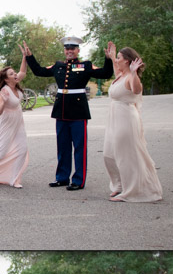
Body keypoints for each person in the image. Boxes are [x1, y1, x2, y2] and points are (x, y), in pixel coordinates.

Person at [23, 36, 115, 191]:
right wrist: (29, 56)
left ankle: (78, 180)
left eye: (73, 49)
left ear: (78, 50)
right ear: (64, 50)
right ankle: (62, 177)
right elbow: (39, 71)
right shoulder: (58, 65)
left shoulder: (85, 65)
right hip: (61, 110)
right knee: (63, 146)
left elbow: (105, 73)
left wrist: (108, 58)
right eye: (67, 49)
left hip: (78, 111)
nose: (69, 51)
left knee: (80, 147)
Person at [101, 46, 162, 203]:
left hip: (126, 119)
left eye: (119, 58)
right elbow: (116, 68)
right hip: (114, 119)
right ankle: (119, 185)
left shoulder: (131, 77)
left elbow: (136, 90)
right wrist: (112, 56)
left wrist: (134, 72)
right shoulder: (120, 76)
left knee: (126, 155)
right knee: (108, 154)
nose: (117, 61)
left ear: (127, 61)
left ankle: (131, 191)